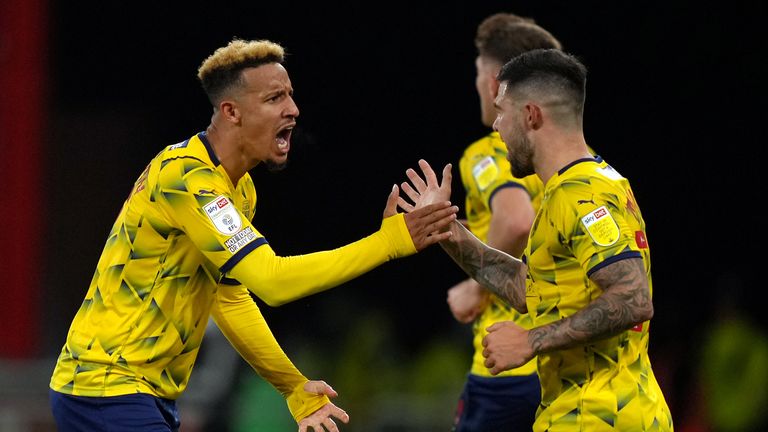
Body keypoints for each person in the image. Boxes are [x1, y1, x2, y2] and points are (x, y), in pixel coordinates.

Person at [48, 38, 459, 432]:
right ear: (231, 112)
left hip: (140, 393)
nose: (294, 109)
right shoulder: (188, 178)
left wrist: (292, 386)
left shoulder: (239, 190)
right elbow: (272, 281)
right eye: (274, 98)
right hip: (103, 383)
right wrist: (388, 242)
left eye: (291, 95)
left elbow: (229, 297)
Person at [399, 49, 673, 430]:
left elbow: (633, 298)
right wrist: (448, 229)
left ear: (530, 115)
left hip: (597, 417)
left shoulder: (581, 194)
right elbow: (528, 288)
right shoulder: (575, 187)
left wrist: (530, 340)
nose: (496, 126)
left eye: (502, 111)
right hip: (587, 412)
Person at [445, 12, 562, 431]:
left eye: (478, 73)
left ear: (495, 82)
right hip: (565, 367)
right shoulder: (571, 163)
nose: (476, 84)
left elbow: (515, 219)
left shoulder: (490, 152)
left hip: (504, 370)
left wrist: (475, 287)